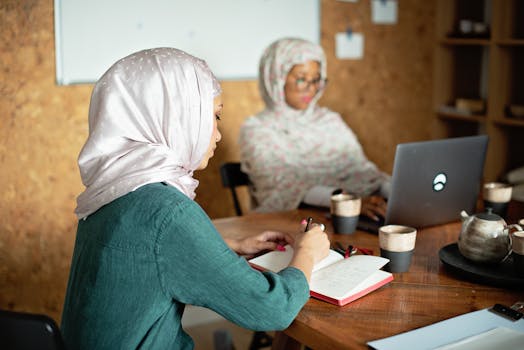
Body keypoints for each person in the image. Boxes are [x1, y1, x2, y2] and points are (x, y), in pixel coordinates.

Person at [60, 47, 330, 349]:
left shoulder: (112, 189)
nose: (217, 135)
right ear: (176, 117)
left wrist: (225, 247)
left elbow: (140, 252)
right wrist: (307, 252)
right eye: (213, 116)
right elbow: (272, 310)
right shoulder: (167, 211)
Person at [239, 38, 390, 220]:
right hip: (292, 222)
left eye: (316, 79)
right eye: (301, 79)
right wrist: (347, 203)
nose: (310, 89)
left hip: (349, 217)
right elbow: (285, 186)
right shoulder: (257, 130)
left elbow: (363, 171)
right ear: (276, 79)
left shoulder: (329, 121)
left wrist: (394, 192)